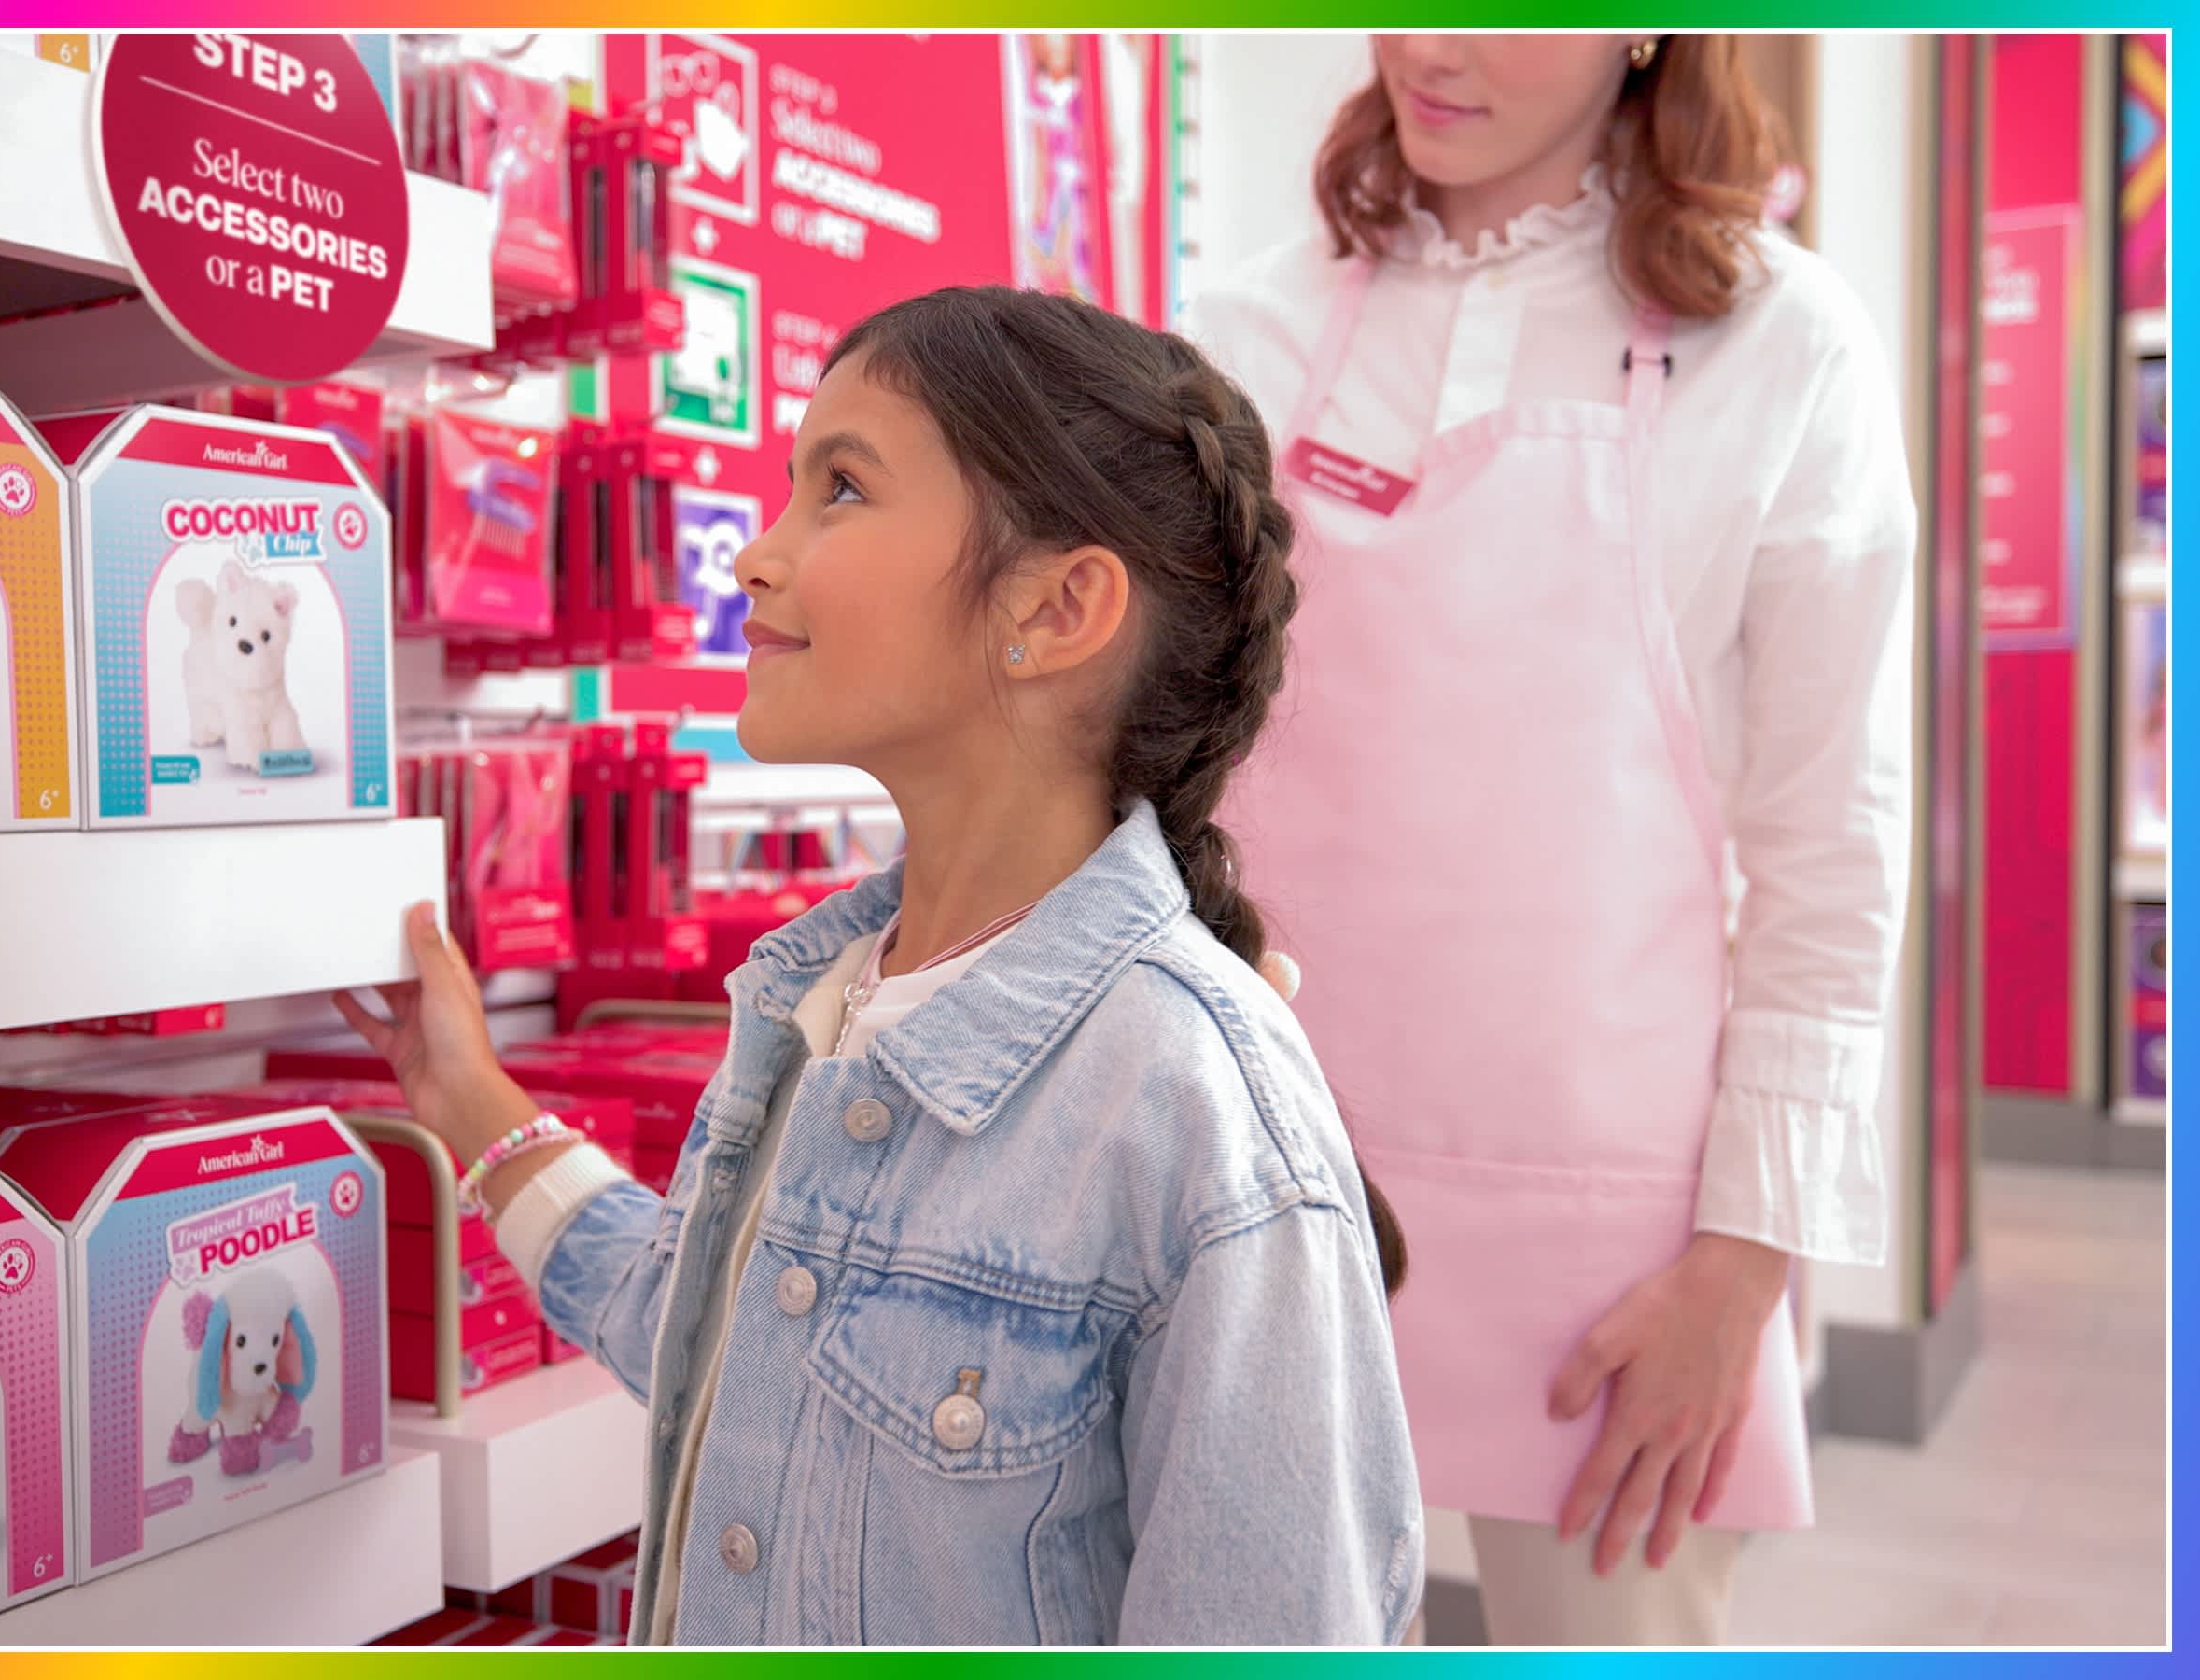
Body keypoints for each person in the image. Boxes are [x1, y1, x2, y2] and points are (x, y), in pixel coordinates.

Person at [336, 287, 1422, 1645]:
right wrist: (466, 1102)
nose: (757, 556)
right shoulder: (821, 999)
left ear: (1059, 606)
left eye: (841, 488)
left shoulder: (1198, 1111)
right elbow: (723, 1345)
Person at [1185, 33, 1916, 1645]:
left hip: (1621, 1238)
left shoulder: (1781, 345)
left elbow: (1831, 849)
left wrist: (1743, 1270)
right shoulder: (1241, 332)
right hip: (1253, 1178)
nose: (1435, 47)